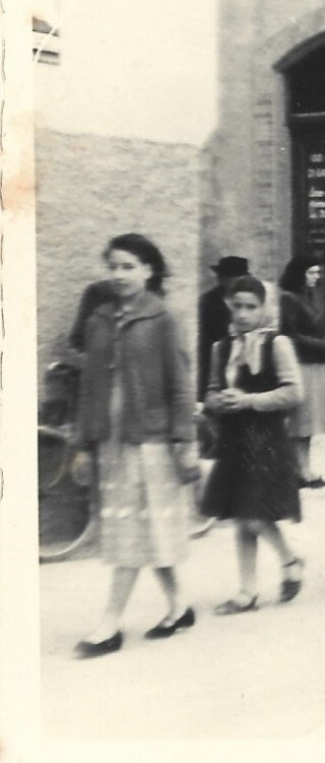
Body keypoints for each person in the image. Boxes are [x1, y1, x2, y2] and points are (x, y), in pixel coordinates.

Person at [71, 234, 201, 658]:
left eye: (129, 266)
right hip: (112, 444)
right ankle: (179, 606)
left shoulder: (165, 319)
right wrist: (81, 446)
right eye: (113, 266)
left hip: (152, 444)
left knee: (132, 532)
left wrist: (186, 442)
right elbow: (89, 389)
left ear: (149, 270)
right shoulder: (98, 320)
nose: (119, 275)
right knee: (148, 531)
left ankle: (109, 625)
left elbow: (181, 388)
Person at [201, 275, 307, 616]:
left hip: (265, 438)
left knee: (255, 514)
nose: (244, 314)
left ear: (264, 308)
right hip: (233, 440)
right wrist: (217, 401)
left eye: (252, 307)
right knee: (241, 515)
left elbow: (294, 392)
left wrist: (248, 400)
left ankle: (290, 560)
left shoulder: (276, 344)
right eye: (237, 307)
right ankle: (247, 591)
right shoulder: (222, 348)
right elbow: (212, 391)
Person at [277, 256, 325, 489]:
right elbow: (290, 336)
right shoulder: (288, 299)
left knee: (307, 425)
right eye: (311, 272)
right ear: (300, 274)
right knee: (300, 423)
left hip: (313, 365)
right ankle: (300, 471)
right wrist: (322, 345)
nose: (316, 277)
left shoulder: (306, 297)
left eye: (317, 272)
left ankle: (303, 469)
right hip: (301, 366)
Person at [197, 256, 250, 399]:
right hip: (214, 358)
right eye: (229, 278)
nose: (233, 283)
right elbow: (203, 337)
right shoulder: (208, 301)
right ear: (221, 279)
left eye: (238, 279)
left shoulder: (249, 299)